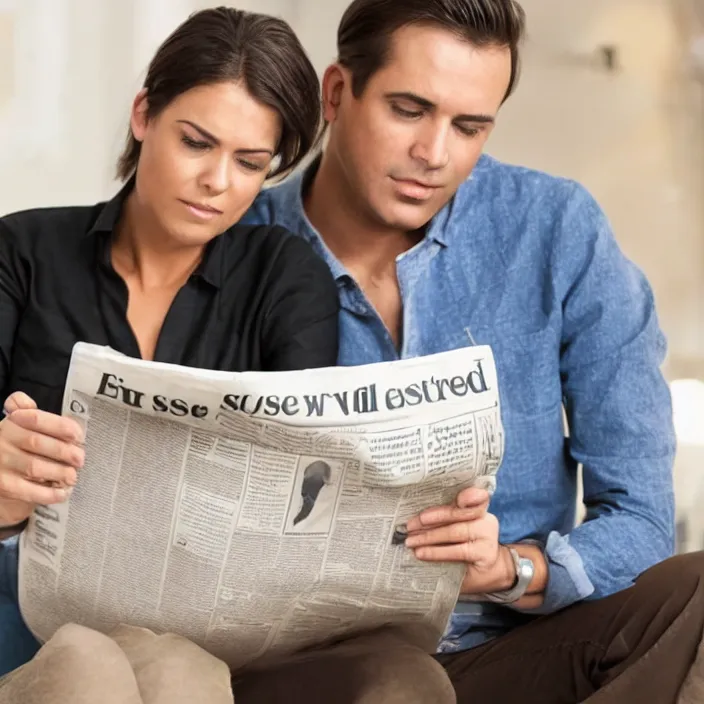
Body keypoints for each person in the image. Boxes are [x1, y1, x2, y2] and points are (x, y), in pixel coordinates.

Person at [237, 0, 704, 701]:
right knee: (397, 682)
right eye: (408, 110)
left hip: (512, 645)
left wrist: (515, 572)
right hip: (323, 664)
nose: (435, 154)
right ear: (337, 93)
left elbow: (640, 515)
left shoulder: (556, 231)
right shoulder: (235, 245)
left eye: (469, 126)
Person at [0, 4, 343, 679]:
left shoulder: (284, 278)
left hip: (204, 624)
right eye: (196, 142)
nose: (217, 182)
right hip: (24, 603)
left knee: (179, 668)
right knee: (91, 664)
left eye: (250, 162)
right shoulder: (22, 251)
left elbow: (303, 479)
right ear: (143, 116)